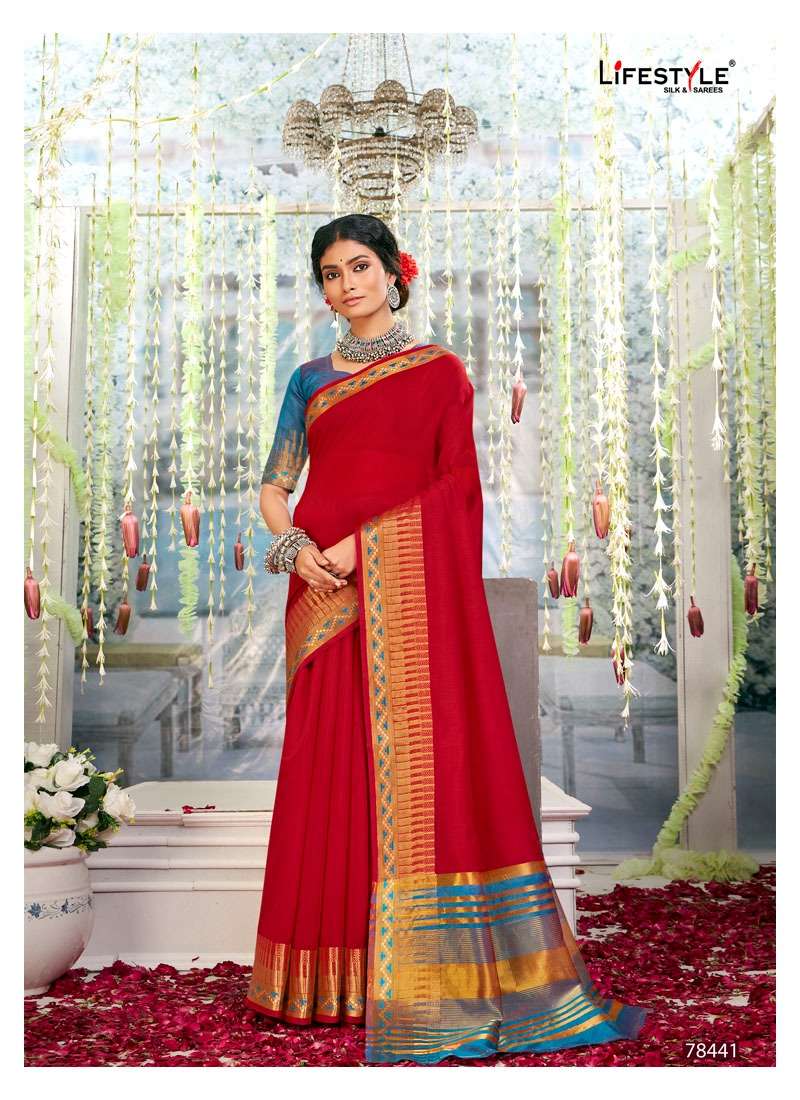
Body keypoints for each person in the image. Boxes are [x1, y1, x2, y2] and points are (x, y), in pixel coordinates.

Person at [244, 213, 649, 1064]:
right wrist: (296, 547)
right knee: (328, 765)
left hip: (400, 592)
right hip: (323, 595)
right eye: (330, 274)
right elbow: (276, 485)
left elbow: (456, 487)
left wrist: (363, 545)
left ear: (394, 274)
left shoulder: (440, 374)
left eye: (360, 266)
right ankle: (330, 979)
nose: (346, 284)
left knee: (416, 772)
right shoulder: (308, 379)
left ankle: (421, 977)